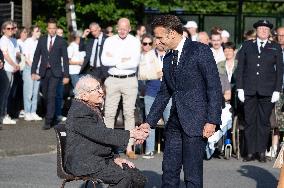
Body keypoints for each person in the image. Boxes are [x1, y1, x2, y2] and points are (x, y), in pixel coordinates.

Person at [139, 15, 222, 188]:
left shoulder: (200, 50)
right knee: (169, 170)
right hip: (175, 122)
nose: (157, 41)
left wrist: (212, 120)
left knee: (192, 174)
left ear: (171, 34)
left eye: (159, 37)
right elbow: (165, 92)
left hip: (197, 122)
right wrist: (149, 122)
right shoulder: (168, 58)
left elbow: (214, 87)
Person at [64, 75, 147, 188]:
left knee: (137, 177)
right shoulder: (79, 112)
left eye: (100, 87)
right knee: (123, 178)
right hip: (84, 162)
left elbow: (103, 136)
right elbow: (102, 135)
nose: (101, 92)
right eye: (96, 89)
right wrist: (131, 133)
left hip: (99, 158)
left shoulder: (91, 107)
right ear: (84, 96)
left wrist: (116, 158)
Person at [236, 20, 283, 163]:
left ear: (269, 32)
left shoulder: (275, 47)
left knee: (264, 123)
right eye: (261, 28)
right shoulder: (247, 45)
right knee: (250, 122)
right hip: (249, 90)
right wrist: (239, 88)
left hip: (268, 91)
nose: (263, 30)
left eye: (266, 29)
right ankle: (250, 152)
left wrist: (277, 90)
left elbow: (280, 71)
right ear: (256, 30)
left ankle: (261, 151)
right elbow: (241, 69)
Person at [101, 18, 141, 159]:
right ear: (117, 27)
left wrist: (115, 60)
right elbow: (104, 61)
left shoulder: (134, 41)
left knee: (129, 114)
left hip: (130, 80)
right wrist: (123, 59)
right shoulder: (110, 41)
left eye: (125, 28)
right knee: (109, 114)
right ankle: (107, 147)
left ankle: (129, 147)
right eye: (120, 28)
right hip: (112, 80)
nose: (122, 31)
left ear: (130, 28)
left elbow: (134, 62)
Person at [31, 18, 69, 130]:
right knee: (47, 96)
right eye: (50, 28)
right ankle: (50, 115)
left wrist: (66, 75)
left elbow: (65, 59)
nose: (52, 30)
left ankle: (48, 120)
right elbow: (36, 56)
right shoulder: (42, 40)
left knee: (52, 95)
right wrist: (33, 71)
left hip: (56, 73)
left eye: (54, 28)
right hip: (44, 72)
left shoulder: (61, 41)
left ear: (56, 29)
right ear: (47, 29)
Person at [138, 34, 172, 159]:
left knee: (170, 122)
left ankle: (170, 150)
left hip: (168, 92)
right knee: (149, 122)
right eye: (158, 40)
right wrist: (155, 74)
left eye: (162, 40)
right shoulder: (147, 56)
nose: (160, 43)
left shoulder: (172, 54)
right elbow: (141, 74)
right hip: (151, 92)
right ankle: (149, 150)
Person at [0, 20, 20, 124]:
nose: (11, 30)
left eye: (12, 28)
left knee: (7, 93)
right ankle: (3, 116)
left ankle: (5, 114)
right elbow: (5, 55)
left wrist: (20, 62)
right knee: (4, 93)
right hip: (6, 69)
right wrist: (14, 64)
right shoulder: (3, 40)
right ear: (3, 30)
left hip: (12, 69)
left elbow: (16, 54)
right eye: (8, 28)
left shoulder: (13, 40)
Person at [22, 25, 42, 121]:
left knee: (35, 92)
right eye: (37, 31)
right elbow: (26, 58)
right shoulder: (27, 42)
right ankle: (27, 112)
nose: (39, 33)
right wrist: (33, 69)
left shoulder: (39, 43)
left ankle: (33, 112)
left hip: (38, 70)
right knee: (28, 92)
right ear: (32, 32)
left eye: (39, 31)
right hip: (29, 69)